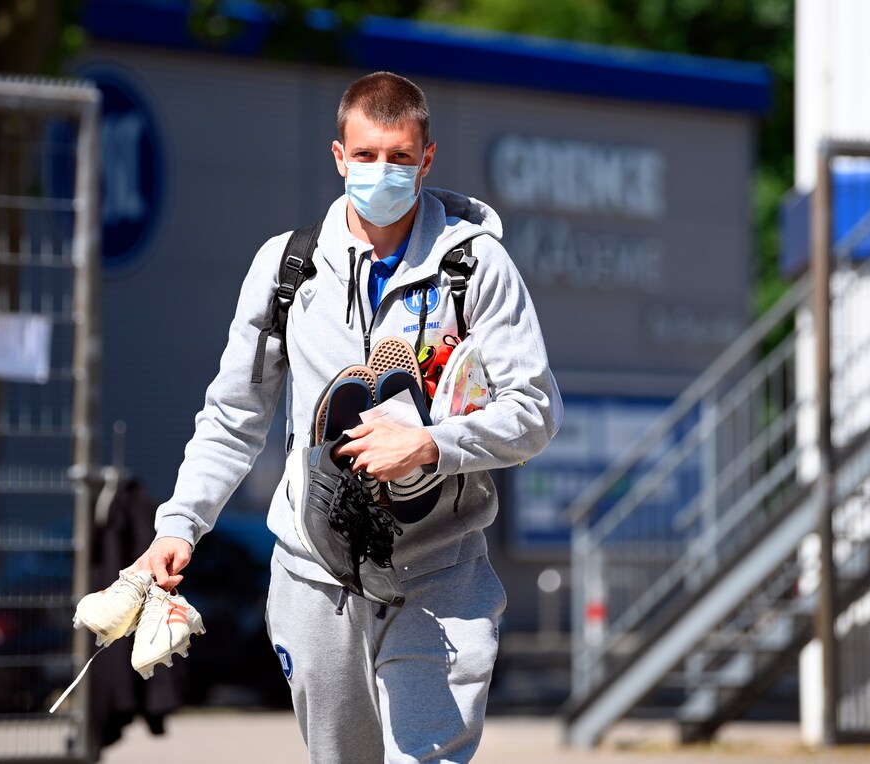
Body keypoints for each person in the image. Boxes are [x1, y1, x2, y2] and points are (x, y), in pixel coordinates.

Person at [133, 71, 561, 762]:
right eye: (365, 155)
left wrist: (430, 444)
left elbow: (535, 411)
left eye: (399, 156)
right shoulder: (287, 268)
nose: (381, 171)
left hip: (440, 573)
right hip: (313, 574)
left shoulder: (476, 266)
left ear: (427, 158)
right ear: (338, 156)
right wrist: (180, 524)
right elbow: (234, 415)